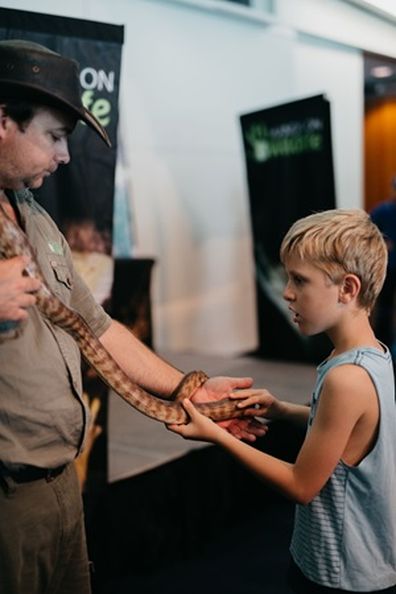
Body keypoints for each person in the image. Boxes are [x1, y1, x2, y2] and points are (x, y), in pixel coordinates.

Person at [0, 39, 265, 594]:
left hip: (60, 489)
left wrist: (189, 391)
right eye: (53, 137)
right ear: (4, 121)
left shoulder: (37, 218)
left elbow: (96, 327)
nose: (65, 156)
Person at [170, 209, 396, 593]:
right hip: (355, 564)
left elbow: (300, 485)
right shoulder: (373, 355)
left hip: (339, 575)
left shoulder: (346, 378)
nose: (287, 292)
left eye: (299, 280)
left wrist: (217, 436)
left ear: (348, 288)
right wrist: (281, 409)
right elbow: (349, 431)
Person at [370, 176, 396, 356]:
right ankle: (381, 349)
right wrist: (381, 244)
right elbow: (367, 234)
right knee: (384, 310)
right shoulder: (382, 211)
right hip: (387, 268)